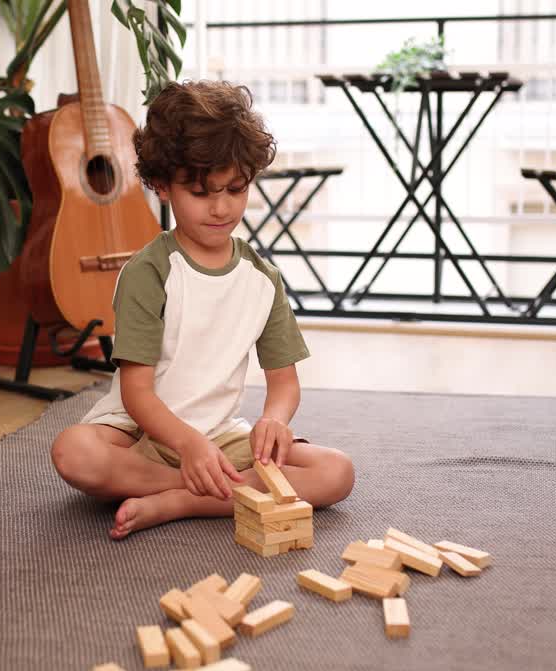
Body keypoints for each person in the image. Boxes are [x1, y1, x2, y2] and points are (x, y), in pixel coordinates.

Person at [50, 80, 354, 540]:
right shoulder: (147, 273)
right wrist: (187, 446)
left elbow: (284, 383)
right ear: (161, 185)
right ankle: (213, 491)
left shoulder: (262, 280)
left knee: (338, 472)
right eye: (201, 192)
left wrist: (273, 419)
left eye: (235, 189)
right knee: (73, 452)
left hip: (218, 438)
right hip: (140, 436)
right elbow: (137, 394)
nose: (221, 207)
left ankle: (181, 500)